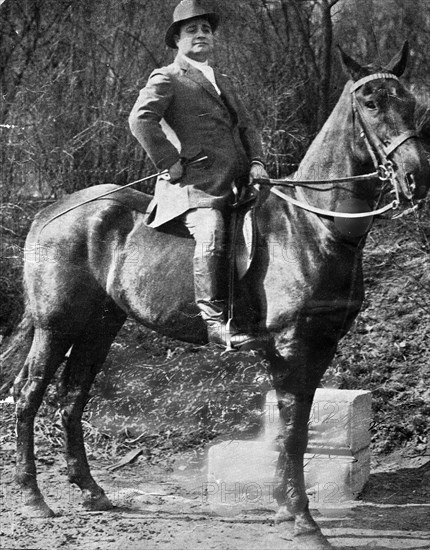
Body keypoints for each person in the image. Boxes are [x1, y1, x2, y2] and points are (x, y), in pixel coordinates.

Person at [129, 0, 268, 348]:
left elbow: (247, 126)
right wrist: (169, 162)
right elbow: (140, 120)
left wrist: (257, 162)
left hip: (237, 183)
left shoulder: (221, 79)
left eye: (206, 29)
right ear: (177, 39)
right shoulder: (168, 77)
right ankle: (216, 323)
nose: (201, 34)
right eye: (192, 30)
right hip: (193, 187)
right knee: (212, 230)